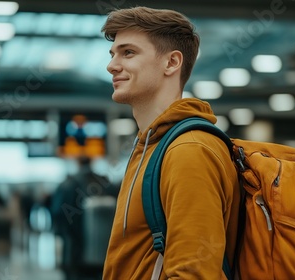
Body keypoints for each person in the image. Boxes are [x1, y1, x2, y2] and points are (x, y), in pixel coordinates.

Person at [101, 6, 240, 279]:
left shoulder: (189, 150)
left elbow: (195, 273)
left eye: (128, 52)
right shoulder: (150, 146)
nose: (111, 65)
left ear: (172, 63)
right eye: (113, 53)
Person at [51, 155, 112, 280]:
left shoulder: (69, 184)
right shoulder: (104, 182)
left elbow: (58, 213)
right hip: (103, 251)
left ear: (78, 163)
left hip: (75, 249)